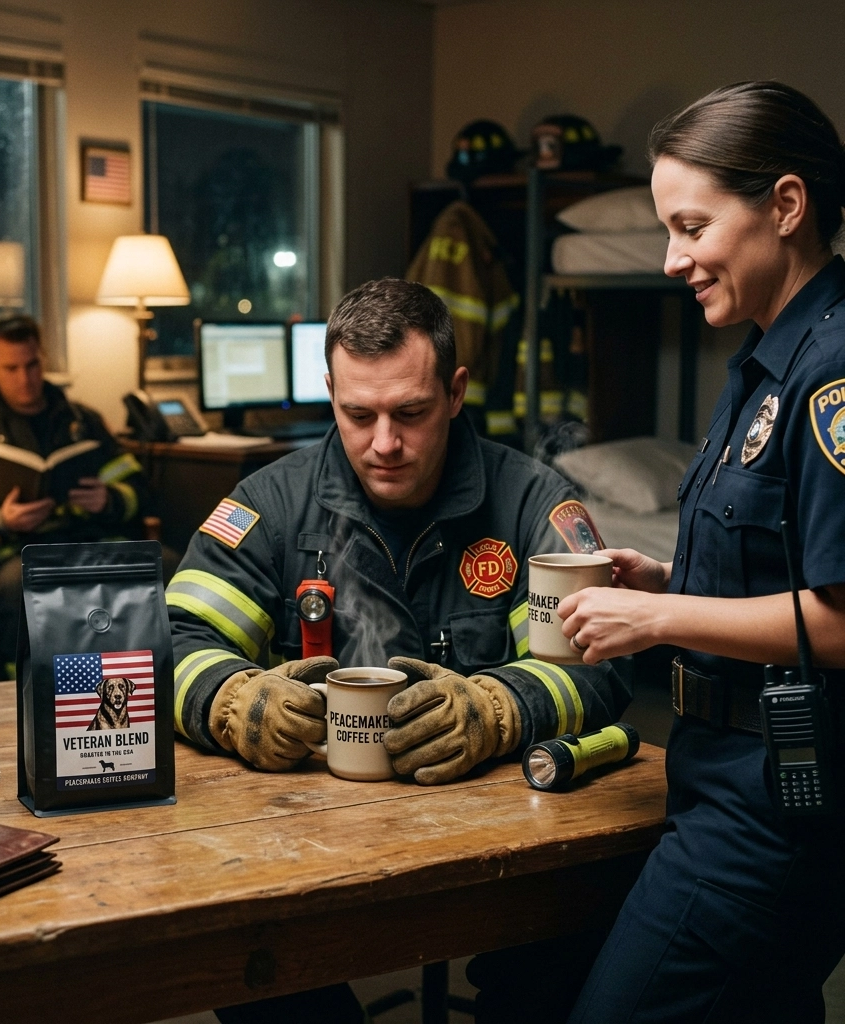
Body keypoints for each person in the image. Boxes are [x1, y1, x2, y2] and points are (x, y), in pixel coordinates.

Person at [165, 277, 633, 1023]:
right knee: (253, 969)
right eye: (358, 414)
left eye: (411, 413)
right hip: (301, 850)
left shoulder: (532, 503)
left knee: (562, 966)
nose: (385, 443)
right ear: (329, 392)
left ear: (454, 391)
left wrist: (499, 708)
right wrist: (229, 697)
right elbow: (177, 640)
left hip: (498, 851)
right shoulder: (268, 506)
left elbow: (595, 662)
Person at [550, 82, 845, 1024]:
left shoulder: (833, 374)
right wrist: (672, 580)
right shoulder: (764, 361)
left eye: (690, 226)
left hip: (776, 802)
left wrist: (658, 617)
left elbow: (843, 623)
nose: (673, 259)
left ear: (786, 206)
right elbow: (792, 572)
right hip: (717, 769)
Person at [0, 312, 148, 676]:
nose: (25, 379)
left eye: (32, 365)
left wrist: (109, 499)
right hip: (21, 552)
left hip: (93, 543)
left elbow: (139, 488)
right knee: (17, 587)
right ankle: (28, 693)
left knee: (164, 565)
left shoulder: (85, 421)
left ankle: (142, 684)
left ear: (42, 358)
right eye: (11, 368)